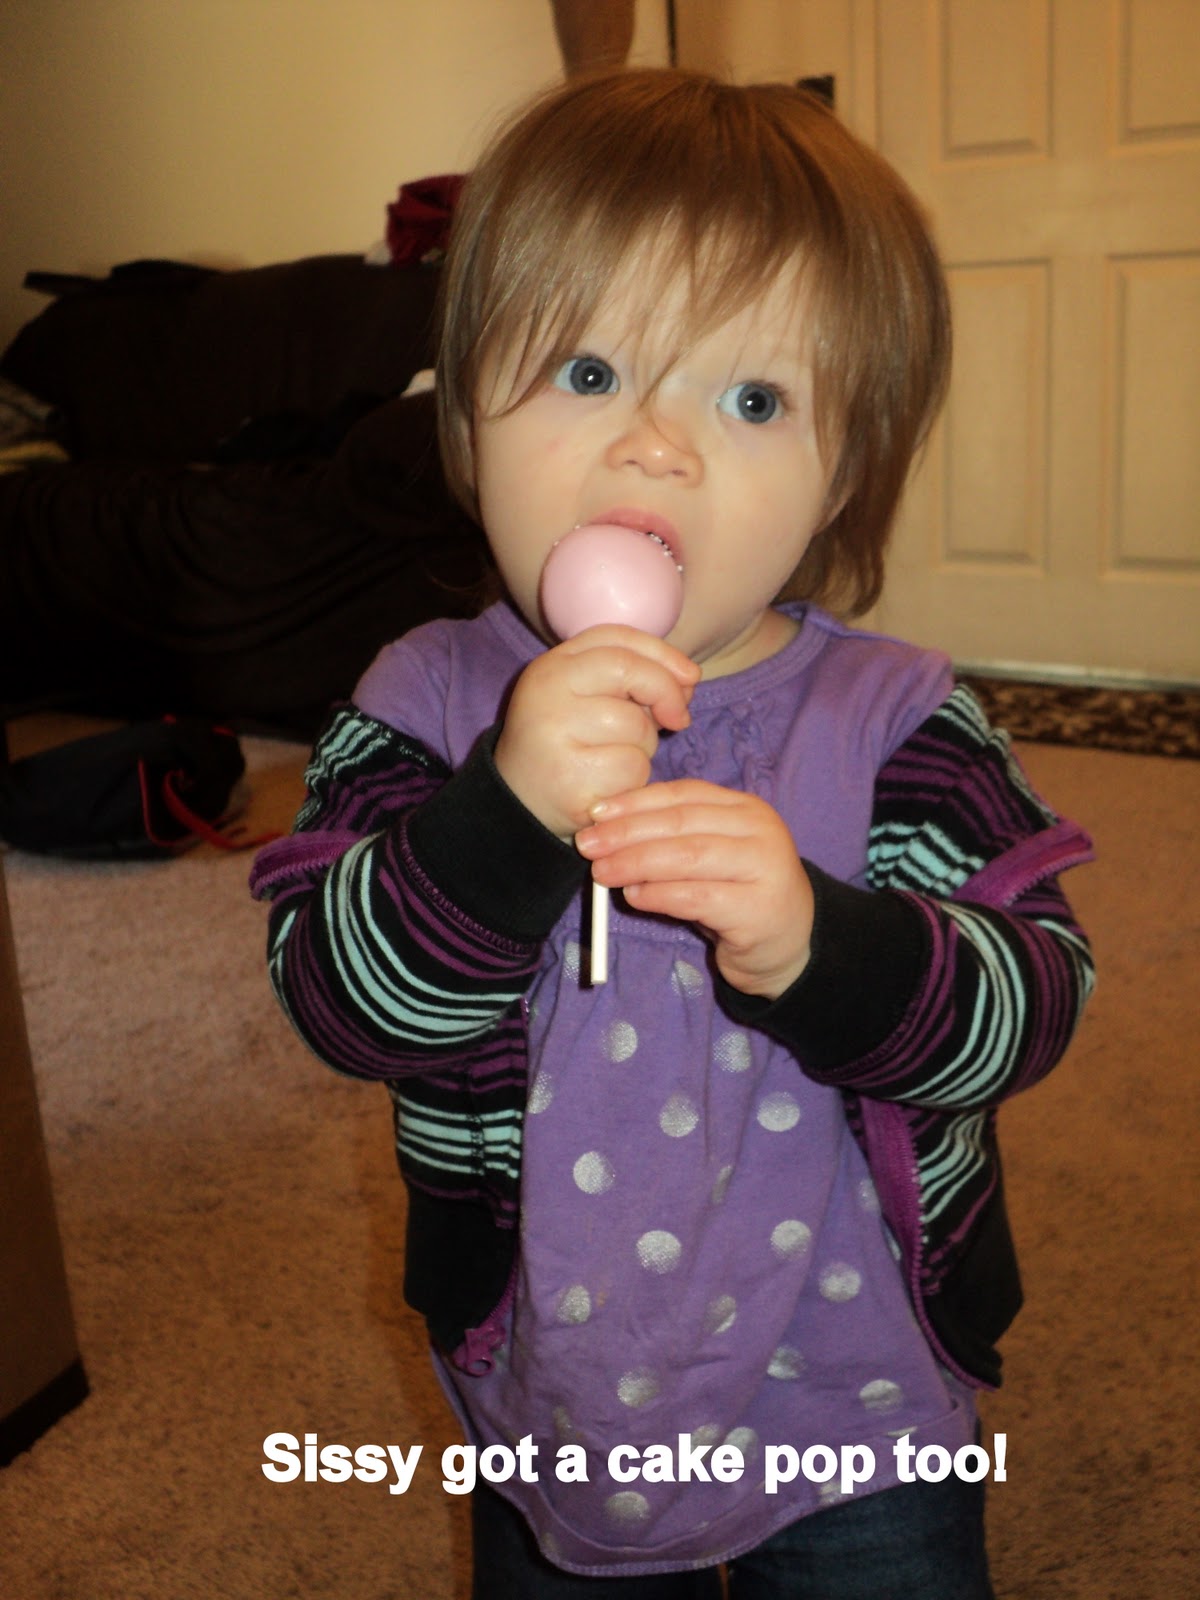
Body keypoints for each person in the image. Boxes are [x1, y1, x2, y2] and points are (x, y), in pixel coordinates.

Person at [250, 70, 1095, 1597]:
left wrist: (825, 944)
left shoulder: (896, 720)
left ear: (846, 470)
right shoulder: (423, 705)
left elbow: (1031, 1006)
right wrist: (498, 823)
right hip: (548, 1389)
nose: (654, 448)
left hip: (862, 1397)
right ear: (460, 412)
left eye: (753, 398)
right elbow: (341, 1001)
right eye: (585, 369)